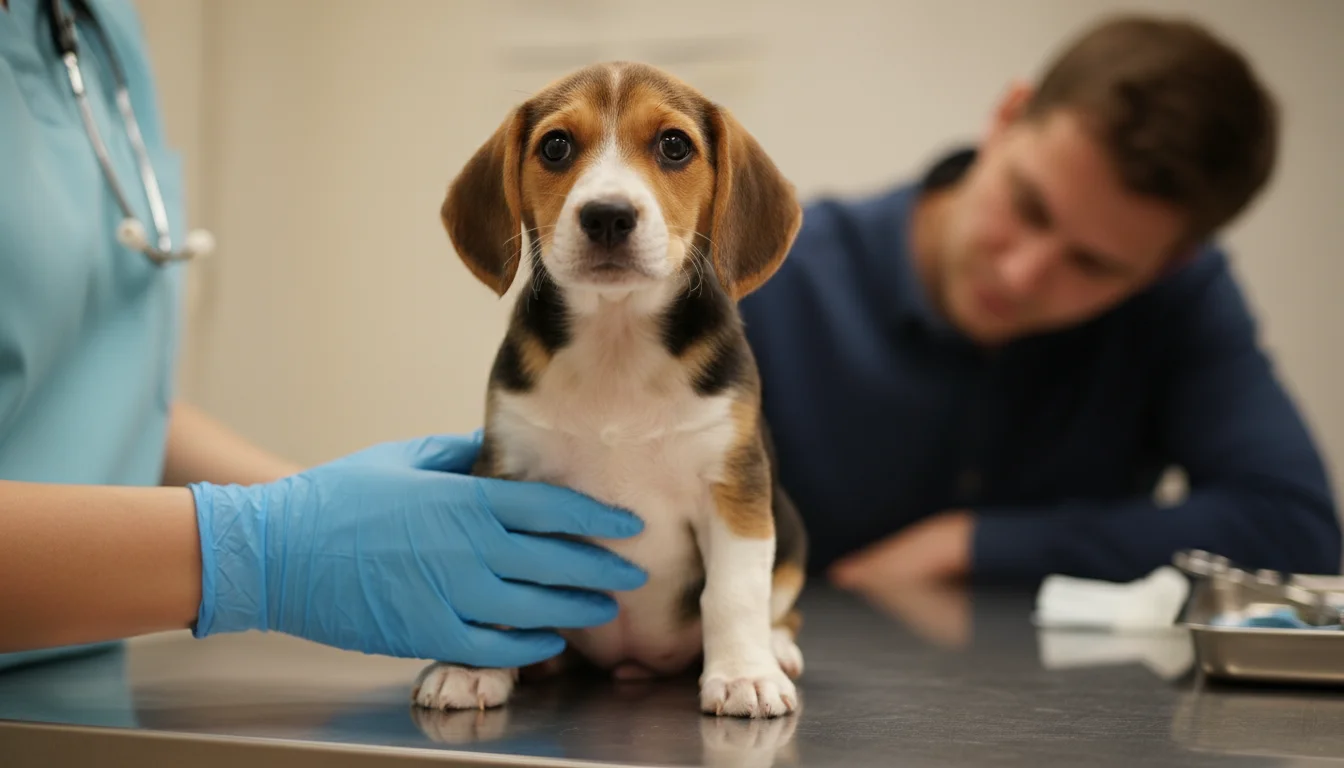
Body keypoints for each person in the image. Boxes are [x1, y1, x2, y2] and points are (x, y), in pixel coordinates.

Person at [0, 0, 647, 672]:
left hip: (77, 670)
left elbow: (98, 409)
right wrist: (272, 547)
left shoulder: (93, 22)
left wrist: (331, 515)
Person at [740, 13, 1343, 589]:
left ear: (1166, 265)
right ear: (1007, 116)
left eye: (1093, 264)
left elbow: (1295, 527)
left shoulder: (1179, 300)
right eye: (1029, 205)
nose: (1021, 275)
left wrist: (972, 545)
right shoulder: (766, 282)